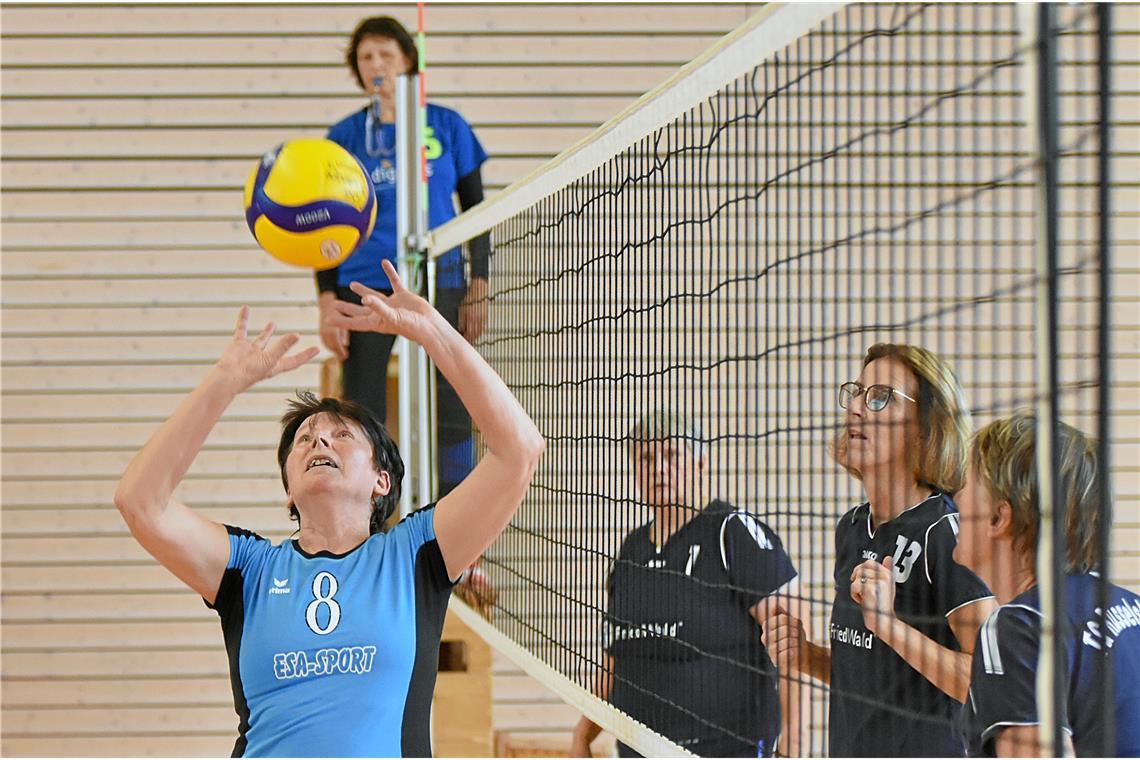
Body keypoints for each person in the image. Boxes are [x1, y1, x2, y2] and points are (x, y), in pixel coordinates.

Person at [114, 260, 543, 757]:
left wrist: (430, 331)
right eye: (304, 438)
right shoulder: (250, 569)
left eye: (342, 435)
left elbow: (519, 451)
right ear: (289, 492)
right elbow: (139, 502)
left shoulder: (414, 555)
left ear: (382, 481)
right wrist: (223, 382)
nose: (319, 437)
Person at [762, 343, 998, 756]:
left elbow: (988, 682)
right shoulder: (852, 528)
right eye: (857, 392)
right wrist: (807, 656)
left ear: (925, 427)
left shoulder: (946, 531)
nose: (855, 407)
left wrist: (888, 625)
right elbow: (874, 673)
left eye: (880, 397)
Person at [317, 15, 492, 496]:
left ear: (408, 61)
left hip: (441, 279)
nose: (376, 65)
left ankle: (459, 527)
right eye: (366, 56)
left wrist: (480, 283)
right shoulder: (344, 137)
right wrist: (326, 298)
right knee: (362, 408)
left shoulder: (446, 125)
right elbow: (327, 224)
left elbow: (477, 209)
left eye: (386, 55)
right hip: (364, 284)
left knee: (453, 402)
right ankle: (369, 525)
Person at [571, 411, 803, 758]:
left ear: (700, 463)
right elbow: (614, 658)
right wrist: (582, 733)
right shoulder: (631, 550)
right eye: (647, 458)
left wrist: (794, 744)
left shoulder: (732, 533)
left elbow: (794, 640)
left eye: (672, 454)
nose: (659, 468)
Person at [956, 413, 1140, 757]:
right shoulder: (1133, 608)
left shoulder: (1017, 625)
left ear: (998, 517)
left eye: (964, 486)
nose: (954, 497)